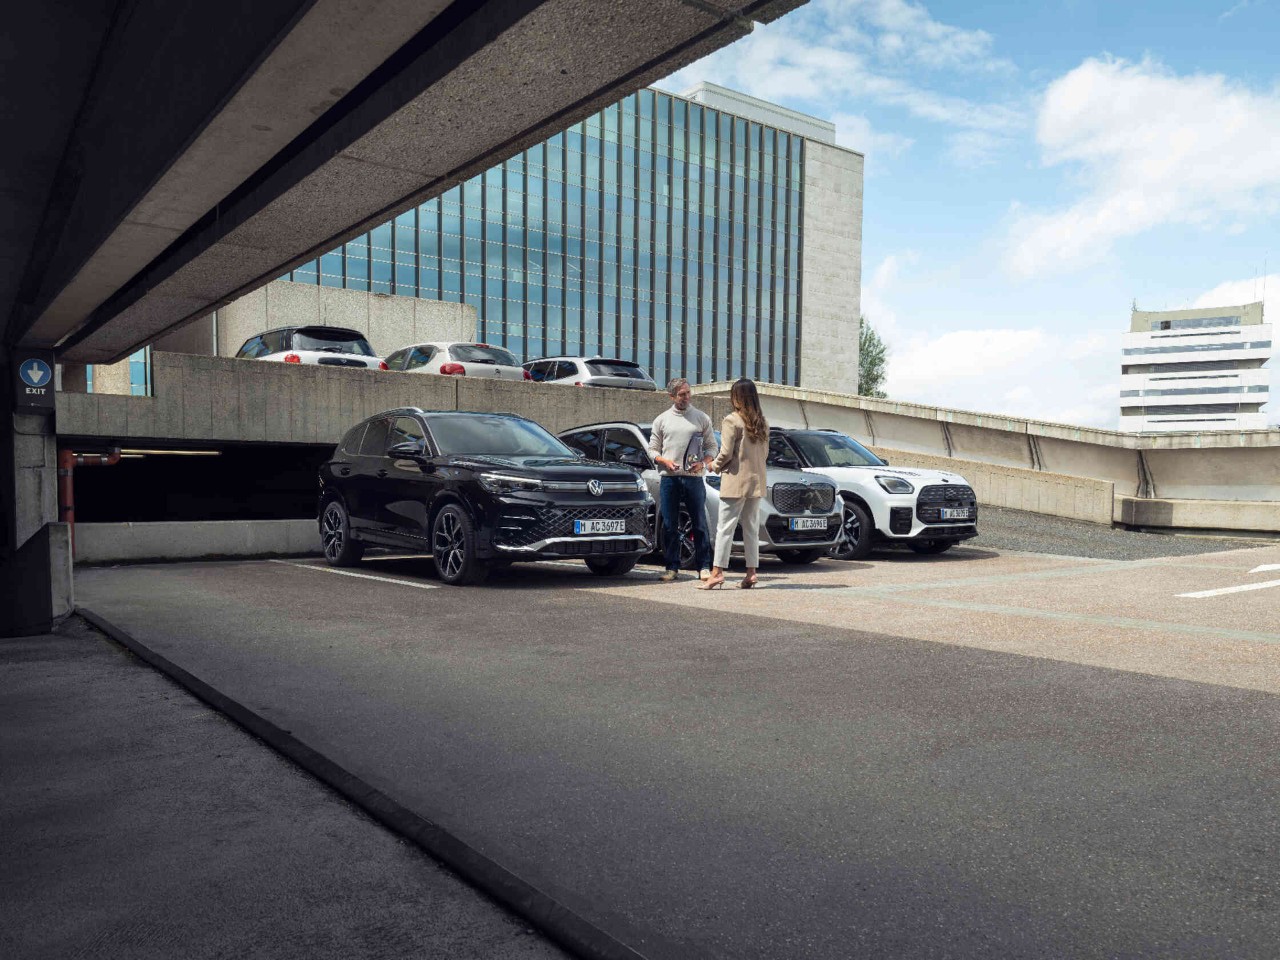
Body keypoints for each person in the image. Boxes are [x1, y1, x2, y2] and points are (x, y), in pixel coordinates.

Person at [699, 378, 769, 590]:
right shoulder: (763, 422)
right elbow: (764, 455)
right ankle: (751, 573)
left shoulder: (732, 420)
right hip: (756, 481)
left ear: (736, 397)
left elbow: (726, 453)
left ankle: (717, 573)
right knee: (751, 529)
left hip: (735, 481)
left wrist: (713, 467)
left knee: (725, 528)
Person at [647, 377, 717, 582]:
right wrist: (664, 461)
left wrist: (703, 463)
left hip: (694, 478)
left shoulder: (702, 418)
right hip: (670, 478)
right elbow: (652, 450)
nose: (687, 397)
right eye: (682, 394)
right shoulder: (661, 420)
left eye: (688, 392)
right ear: (671, 396)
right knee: (669, 524)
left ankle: (704, 566)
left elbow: (712, 447)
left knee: (700, 523)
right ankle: (671, 567)